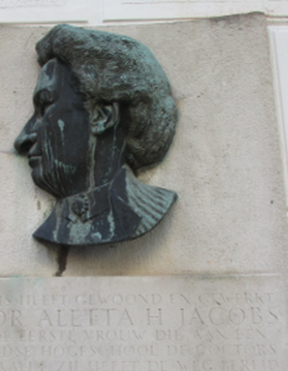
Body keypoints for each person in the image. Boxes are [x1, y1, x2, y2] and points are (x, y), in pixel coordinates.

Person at [14, 24, 178, 246]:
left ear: (102, 116)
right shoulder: (53, 229)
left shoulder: (148, 209)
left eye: (45, 106)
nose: (23, 138)